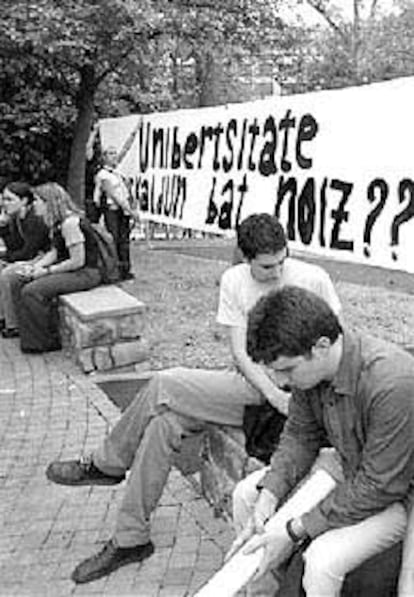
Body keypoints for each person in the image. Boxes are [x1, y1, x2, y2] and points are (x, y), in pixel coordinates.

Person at [45, 213, 341, 585]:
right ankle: (131, 537)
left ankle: (107, 463)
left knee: (165, 385)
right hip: (257, 385)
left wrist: (286, 396)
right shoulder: (234, 281)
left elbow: (333, 346)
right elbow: (240, 352)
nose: (278, 271)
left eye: (283, 260)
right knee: (163, 423)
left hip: (297, 389)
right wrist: (270, 392)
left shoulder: (314, 278)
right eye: (267, 266)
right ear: (245, 258)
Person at [230, 285, 414, 597]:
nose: (280, 382)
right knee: (246, 495)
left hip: (399, 494)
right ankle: (265, 588)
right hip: (356, 470)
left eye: (287, 369)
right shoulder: (310, 373)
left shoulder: (392, 382)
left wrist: (294, 528)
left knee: (322, 560)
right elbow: (300, 436)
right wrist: (269, 497)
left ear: (321, 346)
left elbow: (380, 487)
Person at [10, 182, 102, 353]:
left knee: (32, 291)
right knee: (18, 280)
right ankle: (25, 333)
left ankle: (43, 341)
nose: (34, 204)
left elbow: (77, 261)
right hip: (71, 269)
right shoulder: (57, 223)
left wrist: (46, 272)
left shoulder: (70, 224)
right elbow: (55, 252)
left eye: (38, 201)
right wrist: (35, 268)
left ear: (50, 202)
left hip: (85, 273)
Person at [0, 182, 50, 337]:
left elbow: (28, 251)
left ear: (24, 201)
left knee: (9, 275)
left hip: (43, 258)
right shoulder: (16, 218)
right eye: (3, 199)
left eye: (9, 199)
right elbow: (14, 247)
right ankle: (2, 317)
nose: (4, 203)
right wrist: (3, 225)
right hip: (31, 257)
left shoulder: (35, 219)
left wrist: (7, 258)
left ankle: (13, 324)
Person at [93, 146, 139, 280]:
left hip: (122, 211)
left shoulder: (118, 174)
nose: (114, 156)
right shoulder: (103, 175)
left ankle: (125, 269)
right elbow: (113, 195)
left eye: (115, 153)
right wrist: (131, 211)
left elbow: (124, 193)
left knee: (124, 240)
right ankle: (114, 271)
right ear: (104, 157)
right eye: (110, 153)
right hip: (111, 210)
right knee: (114, 239)